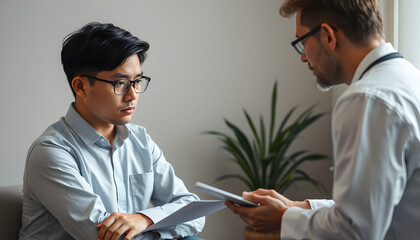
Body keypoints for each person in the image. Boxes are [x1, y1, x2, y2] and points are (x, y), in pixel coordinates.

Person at [226, 0, 420, 239]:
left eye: (302, 42)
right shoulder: (409, 79)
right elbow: (373, 209)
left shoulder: (366, 100)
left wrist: (284, 218)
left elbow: (354, 230)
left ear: (328, 36)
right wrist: (295, 207)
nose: (303, 58)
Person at [19, 22, 204, 240]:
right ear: (80, 86)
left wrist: (145, 219)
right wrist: (163, 223)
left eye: (137, 82)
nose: (133, 95)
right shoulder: (51, 152)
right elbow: (101, 237)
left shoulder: (140, 140)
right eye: (120, 83)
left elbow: (194, 212)